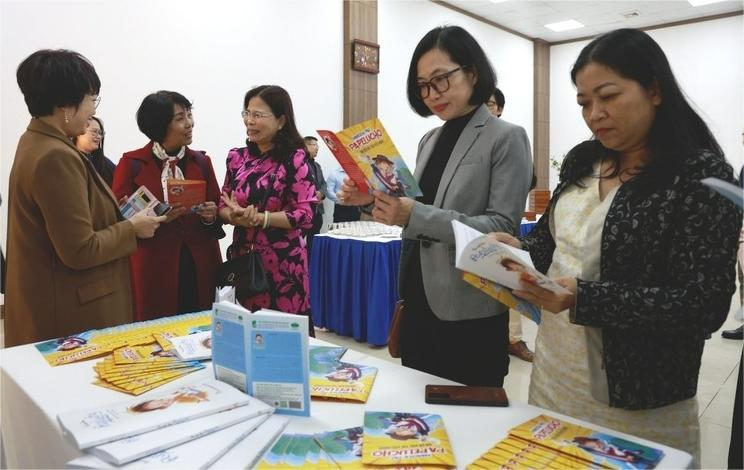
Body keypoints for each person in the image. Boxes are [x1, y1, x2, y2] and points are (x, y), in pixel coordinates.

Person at [490, 29, 740, 463]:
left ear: (655, 90)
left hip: (637, 397)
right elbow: (554, 245)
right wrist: (518, 247)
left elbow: (703, 305)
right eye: (585, 103)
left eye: (608, 96)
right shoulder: (583, 160)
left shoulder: (700, 177)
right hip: (555, 374)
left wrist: (583, 298)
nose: (595, 114)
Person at [339, 26, 532, 386]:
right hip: (417, 298)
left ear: (472, 72)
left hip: (468, 306)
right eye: (423, 85)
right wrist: (371, 200)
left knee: (472, 424)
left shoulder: (506, 137)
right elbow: (417, 212)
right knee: (422, 414)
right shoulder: (429, 140)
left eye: (440, 80)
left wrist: (414, 213)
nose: (431, 94)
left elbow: (501, 227)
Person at [5, 49, 163, 347]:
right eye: (91, 98)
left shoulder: (35, 142)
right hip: (71, 316)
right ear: (67, 105)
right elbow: (79, 249)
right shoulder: (56, 156)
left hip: (51, 303)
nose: (93, 109)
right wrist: (132, 228)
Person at [113, 91, 223, 321]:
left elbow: (218, 210)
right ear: (160, 124)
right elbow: (117, 219)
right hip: (153, 265)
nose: (190, 123)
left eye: (190, 115)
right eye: (180, 118)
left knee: (201, 328)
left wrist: (210, 215)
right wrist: (158, 216)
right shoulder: (131, 164)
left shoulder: (202, 162)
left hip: (199, 264)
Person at [219, 85, 317, 336]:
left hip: (284, 266)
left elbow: (306, 215)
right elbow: (223, 203)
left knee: (281, 341)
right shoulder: (236, 158)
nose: (249, 121)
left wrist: (261, 219)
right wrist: (232, 215)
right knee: (245, 334)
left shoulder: (295, 159)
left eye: (258, 115)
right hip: (244, 260)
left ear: (281, 120)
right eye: (247, 114)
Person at [485, 86, 535, 363]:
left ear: (500, 108)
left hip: (504, 229)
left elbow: (530, 179)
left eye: (490, 104)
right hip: (474, 231)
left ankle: (514, 340)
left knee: (509, 284)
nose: (485, 109)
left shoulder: (511, 137)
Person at [74, 116, 115, 187]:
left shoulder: (105, 163)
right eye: (94, 132)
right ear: (79, 131)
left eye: (100, 133)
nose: (99, 137)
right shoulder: (69, 159)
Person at [304, 135, 326, 254]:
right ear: (306, 146)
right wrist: (313, 195)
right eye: (314, 145)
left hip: (317, 211)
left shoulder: (317, 166)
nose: (317, 148)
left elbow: (323, 183)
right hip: (304, 211)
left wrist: (321, 194)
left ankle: (312, 268)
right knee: (300, 242)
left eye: (317, 146)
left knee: (314, 242)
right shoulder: (299, 164)